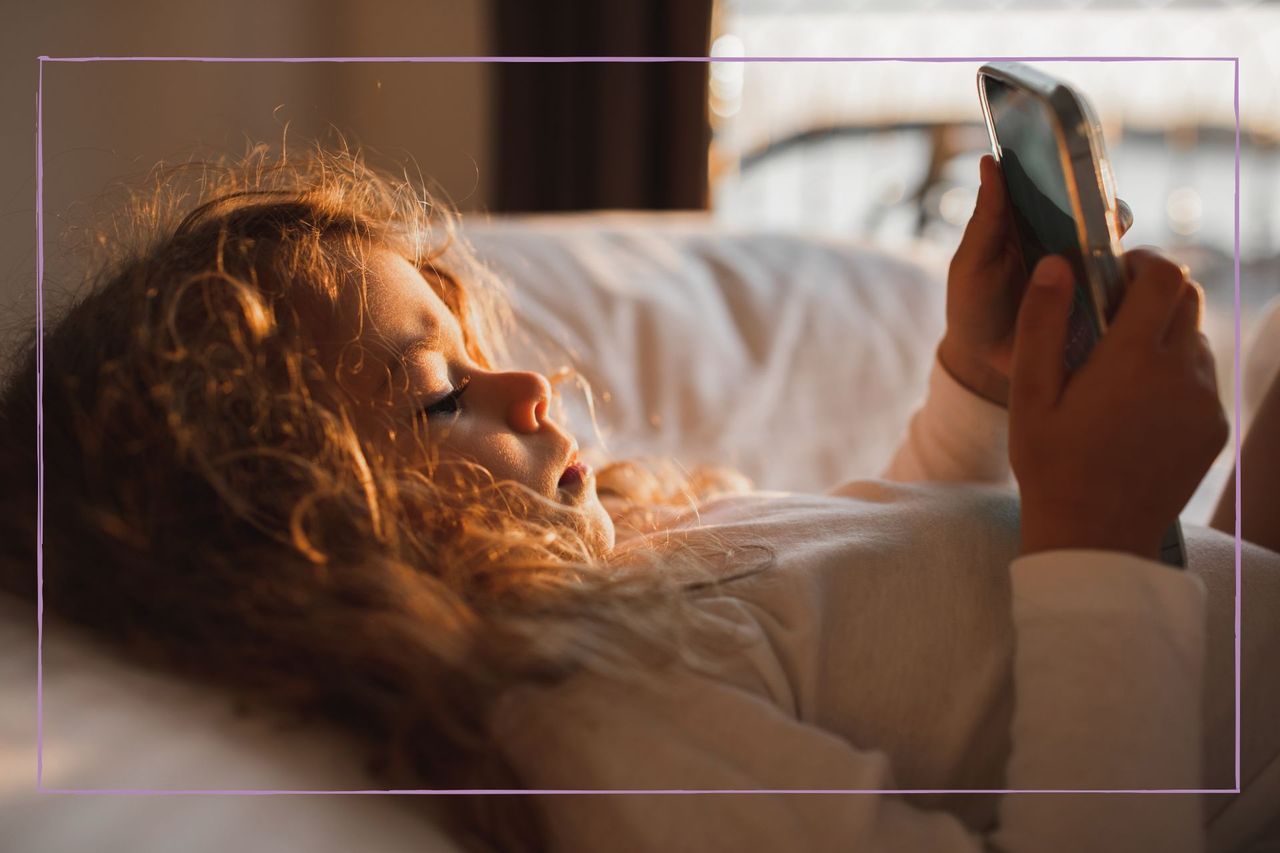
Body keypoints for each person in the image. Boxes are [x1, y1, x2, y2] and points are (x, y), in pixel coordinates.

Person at [0, 144, 1276, 853]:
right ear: (311, 537)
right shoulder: (585, 725)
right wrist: (1098, 548)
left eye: (472, 341)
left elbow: (888, 611)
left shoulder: (619, 565)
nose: (531, 385)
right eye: (438, 396)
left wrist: (979, 393)